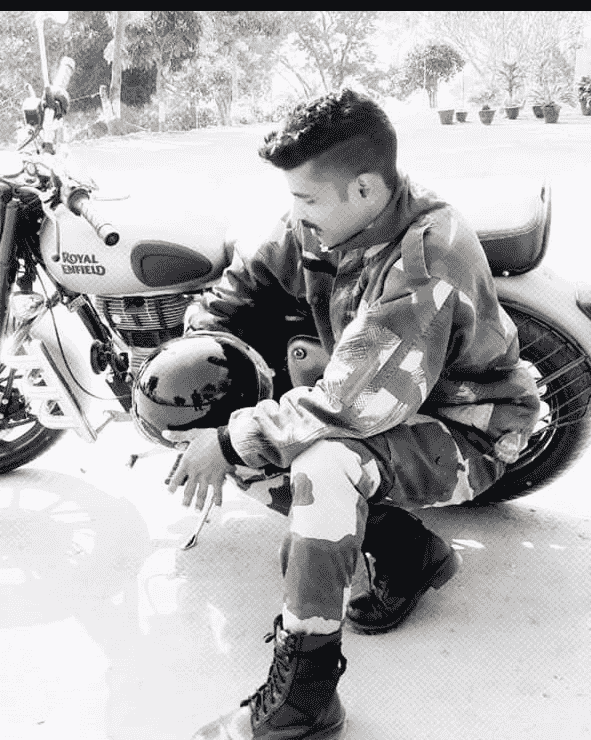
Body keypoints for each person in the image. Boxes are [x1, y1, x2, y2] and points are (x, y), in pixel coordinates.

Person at [168, 89, 540, 740]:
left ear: (364, 188)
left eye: (307, 199)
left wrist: (225, 441)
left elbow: (344, 407)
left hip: (467, 427)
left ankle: (305, 699)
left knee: (316, 460)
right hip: (388, 405)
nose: (296, 213)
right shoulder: (328, 220)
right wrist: (203, 350)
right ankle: (408, 552)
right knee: (258, 444)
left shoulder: (424, 257)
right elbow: (243, 286)